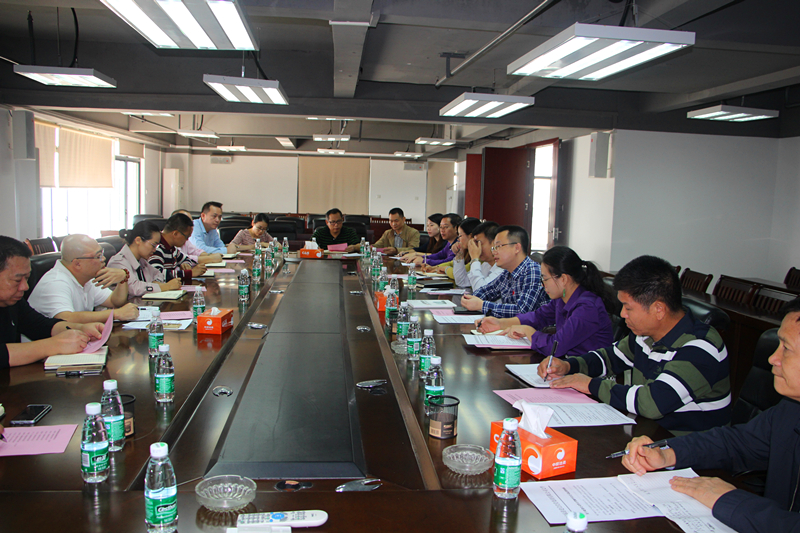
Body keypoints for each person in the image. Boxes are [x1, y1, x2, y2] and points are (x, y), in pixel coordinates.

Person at [621, 298, 800, 533]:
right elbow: (735, 443)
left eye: (786, 348)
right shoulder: (790, 409)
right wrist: (667, 453)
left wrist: (729, 500)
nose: (772, 359)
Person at [539, 255, 730, 434]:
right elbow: (610, 358)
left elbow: (652, 403)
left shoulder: (700, 347)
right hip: (647, 433)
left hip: (685, 446)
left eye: (628, 308)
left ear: (658, 309)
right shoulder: (645, 335)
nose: (622, 314)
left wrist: (590, 384)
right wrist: (568, 366)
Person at [478, 246, 614, 358]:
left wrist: (529, 332)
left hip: (588, 375)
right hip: (566, 366)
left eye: (545, 279)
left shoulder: (587, 308)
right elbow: (538, 317)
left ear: (563, 279)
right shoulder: (561, 299)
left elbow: (556, 346)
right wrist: (500, 323)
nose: (543, 284)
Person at [0, 236, 105, 368]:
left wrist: (80, 329)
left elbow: (40, 325)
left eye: (26, 279)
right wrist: (54, 345)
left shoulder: (14, 302)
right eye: (17, 280)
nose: (25, 287)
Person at [28, 234, 139, 323]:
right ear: (77, 264)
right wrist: (115, 314)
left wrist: (123, 278)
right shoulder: (55, 282)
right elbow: (65, 318)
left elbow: (114, 302)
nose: (104, 259)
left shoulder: (86, 279)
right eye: (98, 256)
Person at [460, 225, 548, 318]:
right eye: (494, 248)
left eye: (498, 246)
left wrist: (482, 305)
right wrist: (468, 299)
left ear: (517, 248)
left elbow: (522, 310)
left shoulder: (533, 271)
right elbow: (485, 291)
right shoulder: (506, 274)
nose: (494, 252)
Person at [107, 221, 182, 297]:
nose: (154, 250)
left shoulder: (141, 260)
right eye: (153, 245)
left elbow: (158, 273)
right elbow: (134, 287)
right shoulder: (118, 262)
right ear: (138, 240)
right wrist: (166, 286)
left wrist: (156, 282)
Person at [149, 213, 207, 282]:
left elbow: (187, 259)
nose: (187, 240)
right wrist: (189, 273)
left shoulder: (172, 248)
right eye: (186, 236)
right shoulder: (156, 247)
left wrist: (185, 264)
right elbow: (157, 274)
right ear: (175, 234)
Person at [461, 221, 503, 292]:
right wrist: (459, 255)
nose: (477, 247)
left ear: (494, 244)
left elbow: (480, 291)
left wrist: (475, 259)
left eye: (479, 243)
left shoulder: (502, 269)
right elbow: (463, 282)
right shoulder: (485, 265)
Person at [448, 218, 487, 285]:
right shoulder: (485, 264)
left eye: (460, 235)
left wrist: (446, 269)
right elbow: (461, 281)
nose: (458, 239)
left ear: (471, 236)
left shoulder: (483, 259)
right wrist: (459, 254)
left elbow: (479, 287)